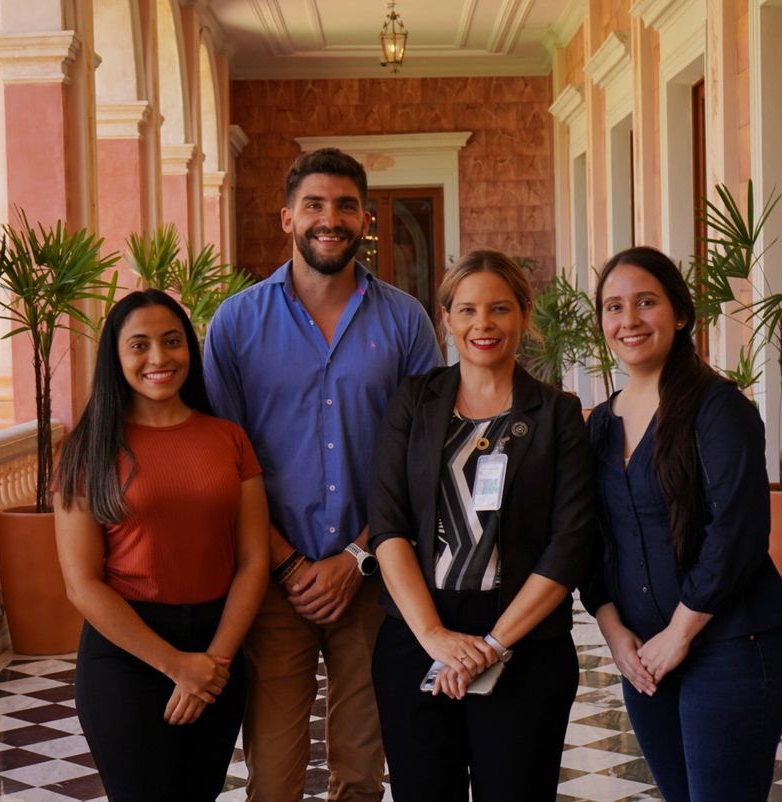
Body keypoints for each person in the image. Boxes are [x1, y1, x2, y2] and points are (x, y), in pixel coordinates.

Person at [204, 147, 441, 801]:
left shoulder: (405, 322)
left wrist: (357, 556)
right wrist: (287, 566)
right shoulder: (236, 324)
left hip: (373, 581)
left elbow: (424, 458)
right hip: (273, 583)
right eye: (314, 204)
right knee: (273, 778)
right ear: (287, 217)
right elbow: (224, 461)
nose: (328, 219)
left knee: (361, 775)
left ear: (366, 219)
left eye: (344, 206)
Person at [367, 249, 597, 801]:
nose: (483, 324)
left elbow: (569, 544)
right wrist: (434, 638)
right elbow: (388, 526)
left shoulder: (558, 414)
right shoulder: (413, 404)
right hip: (417, 638)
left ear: (524, 313)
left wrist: (491, 645)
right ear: (446, 319)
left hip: (524, 645)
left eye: (499, 308)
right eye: (467, 310)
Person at [582, 246, 782, 801]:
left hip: (733, 648)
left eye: (645, 302)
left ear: (680, 314)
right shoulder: (599, 425)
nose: (628, 320)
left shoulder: (718, 408)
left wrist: (678, 635)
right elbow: (590, 540)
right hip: (644, 658)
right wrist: (616, 638)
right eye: (613, 307)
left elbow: (739, 533)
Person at [54, 290, 270, 801]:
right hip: (127, 654)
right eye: (140, 345)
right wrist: (177, 666)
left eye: (172, 341)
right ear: (117, 356)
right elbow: (81, 584)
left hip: (218, 646)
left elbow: (254, 561)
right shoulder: (89, 449)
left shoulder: (229, 438)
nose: (159, 358)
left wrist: (211, 663)